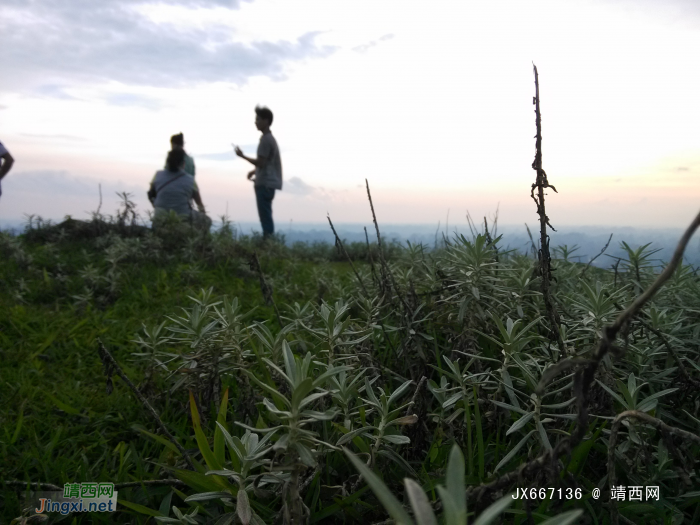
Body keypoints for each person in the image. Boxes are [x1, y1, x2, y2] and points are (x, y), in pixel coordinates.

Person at [234, 106, 283, 239]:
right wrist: (254, 171)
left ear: (266, 121)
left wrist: (242, 156)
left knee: (265, 217)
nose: (255, 122)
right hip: (269, 184)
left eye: (258, 119)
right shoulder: (269, 139)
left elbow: (261, 162)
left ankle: (268, 245)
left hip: (265, 184)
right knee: (266, 215)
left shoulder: (266, 140)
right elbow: (265, 163)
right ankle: (269, 244)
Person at [149, 148, 211, 231]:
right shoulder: (190, 180)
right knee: (207, 221)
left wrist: (157, 206)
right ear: (183, 163)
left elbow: (151, 194)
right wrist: (202, 213)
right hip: (182, 219)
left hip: (159, 217)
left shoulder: (158, 175)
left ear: (167, 162)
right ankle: (199, 240)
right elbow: (199, 204)